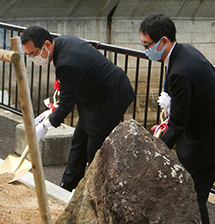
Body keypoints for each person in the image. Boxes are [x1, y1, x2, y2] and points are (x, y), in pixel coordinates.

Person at [21, 26, 135, 193]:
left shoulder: (67, 62)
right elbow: (68, 93)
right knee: (79, 142)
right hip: (92, 96)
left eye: (33, 53)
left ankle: (98, 192)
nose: (32, 58)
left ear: (46, 45)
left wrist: (46, 126)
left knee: (95, 149)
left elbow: (67, 103)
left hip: (111, 97)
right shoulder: (63, 43)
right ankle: (67, 187)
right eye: (28, 55)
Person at [140, 13, 215, 224]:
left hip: (206, 141)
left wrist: (156, 151)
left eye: (147, 45)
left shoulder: (180, 71)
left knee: (194, 199)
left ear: (163, 41)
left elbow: (179, 123)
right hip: (205, 130)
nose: (145, 50)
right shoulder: (184, 52)